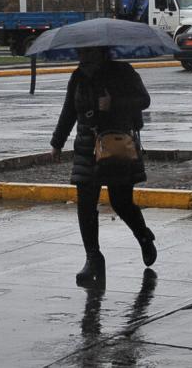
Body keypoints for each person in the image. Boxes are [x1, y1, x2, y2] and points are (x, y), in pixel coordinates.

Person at [51, 47, 157, 286]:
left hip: (115, 145)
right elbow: (69, 110)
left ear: (100, 51)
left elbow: (144, 100)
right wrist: (57, 143)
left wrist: (114, 104)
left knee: (121, 202)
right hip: (86, 149)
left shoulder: (122, 71)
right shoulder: (78, 76)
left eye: (87, 51)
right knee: (85, 205)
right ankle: (93, 258)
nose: (82, 55)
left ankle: (143, 236)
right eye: (80, 51)